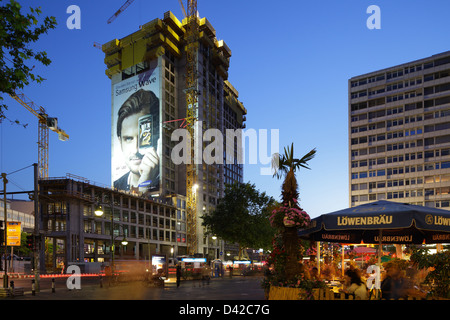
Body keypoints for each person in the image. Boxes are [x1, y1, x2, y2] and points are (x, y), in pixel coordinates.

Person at [114, 89, 160, 193]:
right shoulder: (115, 186)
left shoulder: (166, 181)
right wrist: (144, 186)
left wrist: (145, 183)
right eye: (129, 139)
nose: (135, 150)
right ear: (120, 142)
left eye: (143, 137)